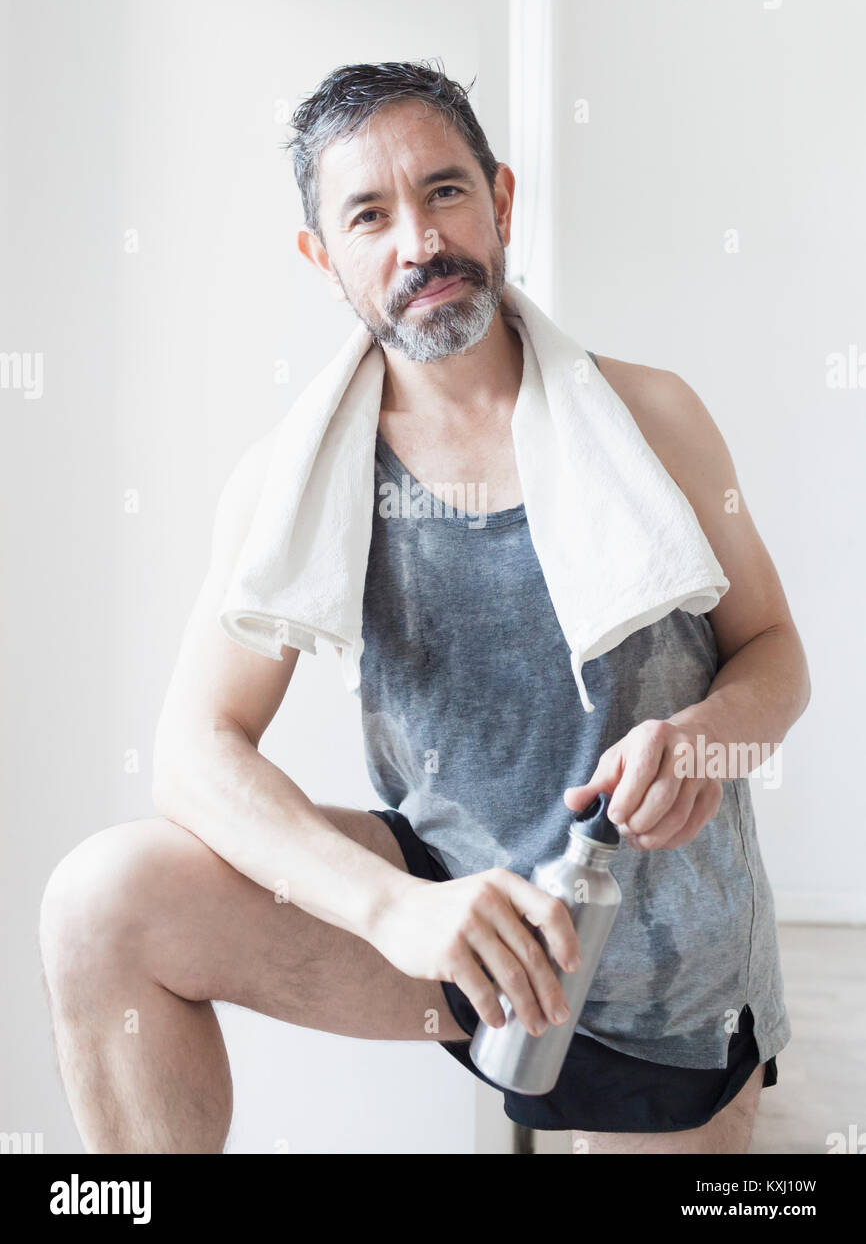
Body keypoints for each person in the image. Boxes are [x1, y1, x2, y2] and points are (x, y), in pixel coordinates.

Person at [39, 60, 810, 1154]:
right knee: (100, 902)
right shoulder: (292, 479)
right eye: (368, 214)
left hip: (661, 967)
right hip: (453, 919)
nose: (419, 243)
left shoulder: (651, 416)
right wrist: (395, 909)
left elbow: (775, 655)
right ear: (323, 258)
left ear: (498, 202)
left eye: (444, 193)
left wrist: (704, 741)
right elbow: (193, 752)